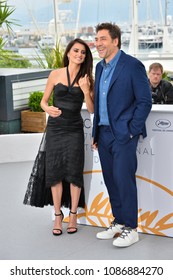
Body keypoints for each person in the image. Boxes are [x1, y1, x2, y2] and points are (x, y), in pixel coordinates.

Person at [23, 38, 94, 236]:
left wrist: (87, 91)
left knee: (73, 172)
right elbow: (43, 102)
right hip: (55, 129)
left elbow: (91, 109)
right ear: (69, 52)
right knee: (54, 171)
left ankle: (73, 215)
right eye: (76, 51)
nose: (79, 55)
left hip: (74, 128)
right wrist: (48, 108)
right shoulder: (55, 74)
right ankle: (57, 215)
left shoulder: (87, 77)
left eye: (83, 53)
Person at [92, 22, 152, 247]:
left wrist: (131, 131)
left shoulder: (133, 65)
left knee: (124, 180)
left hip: (123, 135)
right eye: (97, 39)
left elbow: (145, 101)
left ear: (115, 41)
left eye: (103, 39)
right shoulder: (99, 67)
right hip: (104, 133)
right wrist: (96, 132)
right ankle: (118, 221)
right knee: (110, 180)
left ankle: (131, 228)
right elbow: (100, 102)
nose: (98, 43)